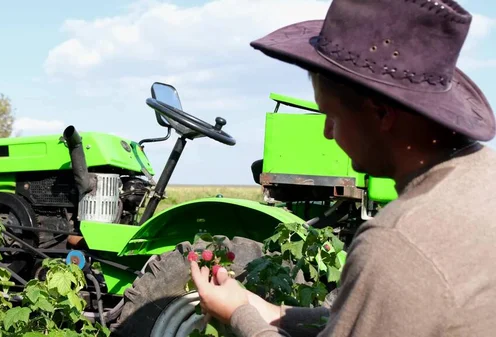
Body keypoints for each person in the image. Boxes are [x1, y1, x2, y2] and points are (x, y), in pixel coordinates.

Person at [189, 0, 496, 336]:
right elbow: (385, 316)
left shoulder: (398, 243)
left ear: (381, 115)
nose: (327, 132)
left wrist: (238, 315)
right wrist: (268, 311)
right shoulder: (483, 182)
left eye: (331, 116)